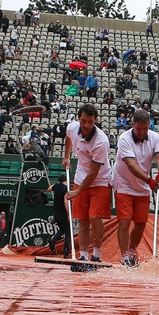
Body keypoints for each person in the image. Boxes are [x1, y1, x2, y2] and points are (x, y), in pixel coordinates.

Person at [112, 109, 159, 267]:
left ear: (149, 125)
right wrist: (149, 180)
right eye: (138, 129)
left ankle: (131, 252)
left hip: (142, 185)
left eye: (145, 128)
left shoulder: (155, 137)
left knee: (141, 222)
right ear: (132, 125)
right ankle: (123, 258)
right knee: (125, 221)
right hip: (124, 182)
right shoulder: (124, 138)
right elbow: (131, 165)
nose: (142, 132)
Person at [63, 104, 112, 264]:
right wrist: (66, 157)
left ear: (95, 121)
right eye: (84, 120)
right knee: (82, 219)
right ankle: (83, 255)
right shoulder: (72, 127)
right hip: (80, 178)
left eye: (90, 122)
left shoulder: (101, 141)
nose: (86, 125)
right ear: (79, 118)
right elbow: (68, 138)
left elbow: (93, 172)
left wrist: (77, 192)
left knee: (94, 217)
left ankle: (97, 254)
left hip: (100, 181)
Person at [46, 174, 72, 257]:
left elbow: (49, 189)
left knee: (62, 230)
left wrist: (56, 184)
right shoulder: (66, 188)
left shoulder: (56, 186)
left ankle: (53, 240)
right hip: (63, 212)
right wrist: (69, 214)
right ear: (66, 180)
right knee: (68, 233)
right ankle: (66, 252)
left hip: (56, 212)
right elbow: (65, 202)